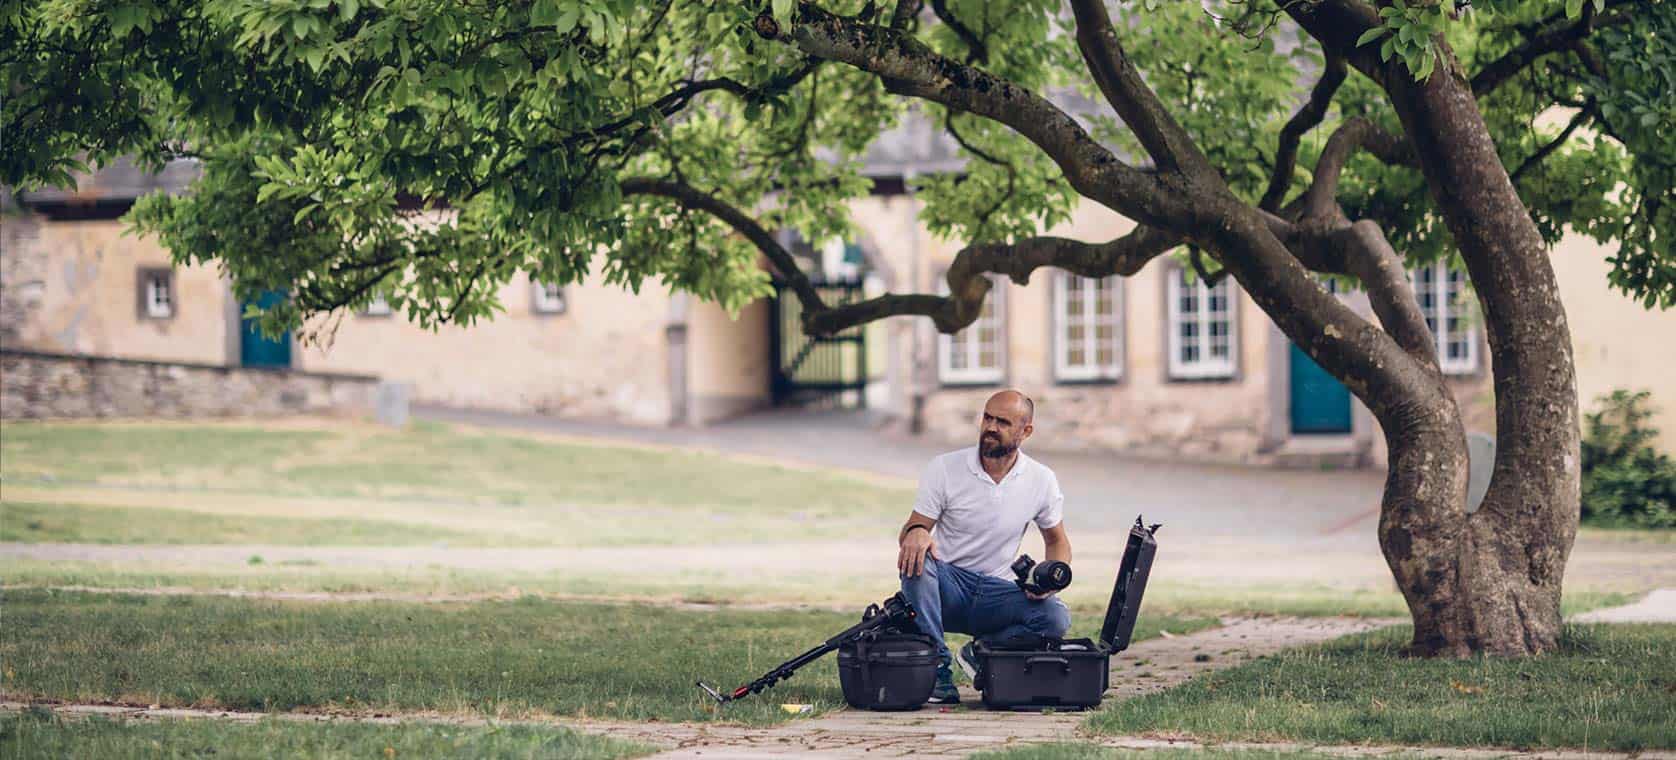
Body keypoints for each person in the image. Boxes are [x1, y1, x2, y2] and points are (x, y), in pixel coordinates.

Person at [897, 389, 1072, 704]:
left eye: (1003, 422)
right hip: (946, 587)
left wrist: (1049, 580)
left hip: (997, 592)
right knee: (918, 558)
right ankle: (937, 671)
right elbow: (913, 528)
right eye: (988, 417)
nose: (991, 427)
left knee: (1056, 618)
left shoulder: (1041, 479)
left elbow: (1057, 541)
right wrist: (917, 532)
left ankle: (981, 651)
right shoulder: (945, 468)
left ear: (1025, 431)